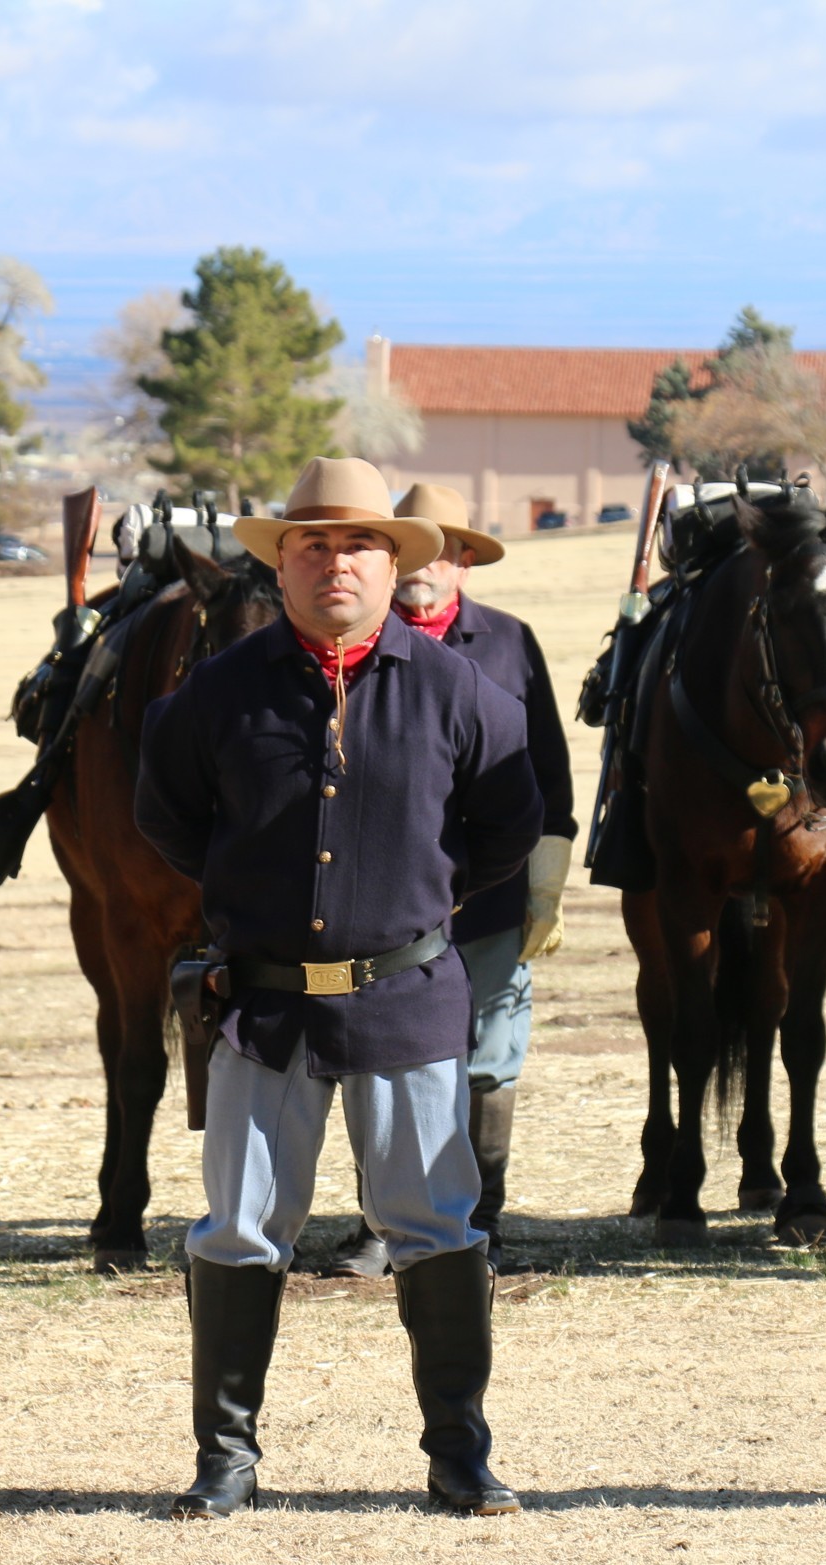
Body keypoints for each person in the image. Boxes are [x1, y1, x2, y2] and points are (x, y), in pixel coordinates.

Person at [134, 457, 543, 1517]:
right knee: (238, 1228)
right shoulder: (217, 694)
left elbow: (507, 825)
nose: (334, 563)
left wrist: (419, 894)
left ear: (392, 559)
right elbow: (166, 811)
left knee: (436, 1225)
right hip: (264, 1006)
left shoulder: (462, 692)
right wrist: (243, 892)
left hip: (406, 1000)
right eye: (311, 544)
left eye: (357, 544)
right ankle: (225, 1459)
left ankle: (459, 1454)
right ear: (279, 561)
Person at [327, 482, 576, 1277]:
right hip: (386, 901)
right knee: (377, 1055)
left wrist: (546, 872)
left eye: (447, 552)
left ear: (465, 561)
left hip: (491, 895)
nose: (426, 570)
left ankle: (482, 1222)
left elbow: (547, 765)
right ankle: (379, 1227)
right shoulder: (348, 647)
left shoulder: (509, 641)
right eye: (415, 553)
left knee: (489, 1058)